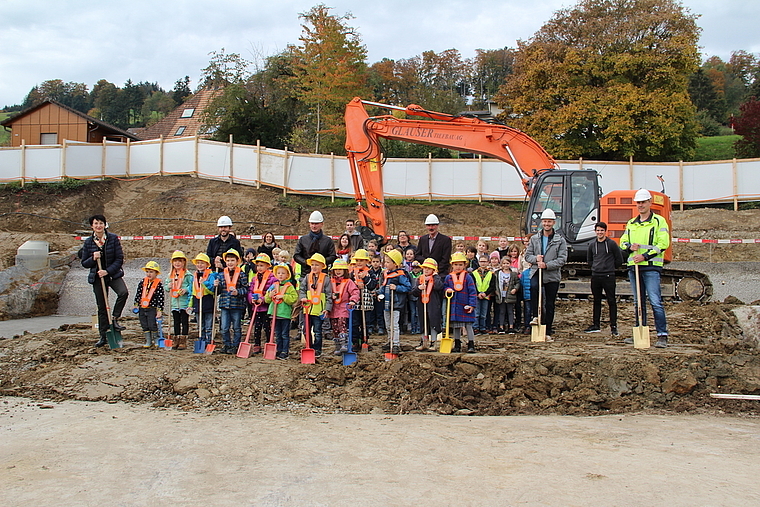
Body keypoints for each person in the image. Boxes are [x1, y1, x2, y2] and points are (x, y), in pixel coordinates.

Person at [620, 189, 670, 348]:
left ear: (649, 203)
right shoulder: (631, 223)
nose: (640, 205)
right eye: (638, 203)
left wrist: (645, 256)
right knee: (638, 302)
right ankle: (639, 331)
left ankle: (662, 335)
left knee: (655, 301)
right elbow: (623, 241)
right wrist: (629, 247)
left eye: (643, 202)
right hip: (634, 266)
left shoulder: (659, 221)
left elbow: (663, 243)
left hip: (651, 266)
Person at [80, 214, 129, 347]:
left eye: (101, 223)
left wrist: (107, 271)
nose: (98, 226)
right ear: (92, 226)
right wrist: (93, 258)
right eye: (96, 223)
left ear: (105, 225)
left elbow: (119, 259)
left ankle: (114, 318)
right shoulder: (89, 242)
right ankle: (103, 335)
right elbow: (84, 263)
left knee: (123, 292)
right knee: (102, 307)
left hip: (112, 274)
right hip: (97, 278)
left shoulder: (112, 238)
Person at [524, 209, 567, 342]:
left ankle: (547, 329)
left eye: (549, 221)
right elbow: (527, 256)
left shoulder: (560, 240)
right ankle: (536, 317)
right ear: (541, 222)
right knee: (534, 287)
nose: (547, 224)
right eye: (545, 221)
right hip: (537, 272)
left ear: (553, 222)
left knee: (549, 303)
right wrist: (536, 259)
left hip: (552, 275)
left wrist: (547, 265)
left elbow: (562, 259)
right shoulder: (535, 239)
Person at [584, 222, 623, 336]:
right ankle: (596, 325)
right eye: (598, 230)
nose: (600, 232)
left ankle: (613, 326)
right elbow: (589, 260)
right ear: (595, 231)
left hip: (608, 276)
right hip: (596, 276)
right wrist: (596, 268)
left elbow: (619, 259)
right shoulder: (592, 245)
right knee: (596, 300)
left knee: (611, 301)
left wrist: (609, 268)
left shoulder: (611, 244)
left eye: (602, 230)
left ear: (605, 231)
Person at [214, 249, 249, 354]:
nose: (230, 263)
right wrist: (216, 286)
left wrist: (238, 292)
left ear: (237, 261)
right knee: (224, 327)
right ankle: (227, 344)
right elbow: (218, 291)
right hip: (224, 304)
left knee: (236, 327)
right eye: (228, 260)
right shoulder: (221, 274)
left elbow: (246, 289)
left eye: (232, 260)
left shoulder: (241, 274)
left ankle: (236, 345)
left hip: (237, 305)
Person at [298, 253, 333, 358]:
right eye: (312, 265)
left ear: (322, 266)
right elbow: (302, 289)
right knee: (306, 330)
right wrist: (302, 297)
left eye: (317, 265)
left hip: (319, 310)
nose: (314, 267)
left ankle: (317, 349)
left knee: (318, 331)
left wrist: (327, 309)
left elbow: (329, 295)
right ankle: (309, 346)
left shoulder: (326, 279)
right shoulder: (307, 277)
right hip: (307, 309)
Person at [443, 252, 478, 353]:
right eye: (456, 264)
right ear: (452, 265)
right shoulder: (448, 278)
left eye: (460, 265)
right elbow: (445, 288)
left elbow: (472, 291)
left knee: (468, 325)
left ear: (464, 265)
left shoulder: (468, 277)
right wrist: (447, 290)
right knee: (456, 326)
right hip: (454, 305)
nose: (458, 267)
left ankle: (471, 344)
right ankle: (457, 344)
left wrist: (472, 305)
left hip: (465, 305)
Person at [379, 249, 411, 355]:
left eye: (388, 262)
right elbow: (383, 286)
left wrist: (397, 287)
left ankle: (396, 343)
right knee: (388, 324)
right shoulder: (386, 274)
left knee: (394, 325)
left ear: (395, 264)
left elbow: (408, 287)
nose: (385, 264)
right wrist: (380, 294)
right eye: (385, 262)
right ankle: (390, 340)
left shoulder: (400, 275)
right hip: (387, 304)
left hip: (396, 304)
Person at [264, 264, 298, 359]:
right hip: (275, 314)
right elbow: (267, 299)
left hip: (285, 314)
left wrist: (283, 296)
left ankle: (285, 351)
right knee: (278, 333)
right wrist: (270, 295)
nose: (280, 275)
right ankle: (279, 350)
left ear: (287, 275)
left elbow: (294, 299)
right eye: (278, 273)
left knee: (284, 334)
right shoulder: (273, 286)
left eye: (283, 273)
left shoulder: (290, 286)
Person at [327, 259, 360, 355]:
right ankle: (337, 346)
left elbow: (355, 291)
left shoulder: (348, 282)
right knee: (335, 327)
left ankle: (344, 344)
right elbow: (326, 292)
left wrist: (353, 300)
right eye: (336, 269)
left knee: (342, 325)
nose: (338, 271)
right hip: (333, 309)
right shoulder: (330, 281)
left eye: (340, 269)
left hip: (343, 308)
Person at [412, 258, 444, 351]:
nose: (426, 270)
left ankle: (433, 342)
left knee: (433, 322)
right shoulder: (420, 279)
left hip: (433, 304)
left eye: (428, 268)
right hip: (422, 304)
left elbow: (439, 287)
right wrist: (419, 288)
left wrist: (435, 277)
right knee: (423, 322)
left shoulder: (436, 278)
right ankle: (424, 341)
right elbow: (413, 292)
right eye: (425, 268)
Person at [349, 248, 377, 349]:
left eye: (361, 260)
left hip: (367, 303)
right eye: (357, 260)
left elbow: (373, 285)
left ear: (366, 261)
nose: (359, 262)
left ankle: (364, 340)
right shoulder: (352, 273)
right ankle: (355, 341)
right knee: (355, 324)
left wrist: (365, 279)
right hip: (356, 304)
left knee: (365, 324)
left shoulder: (370, 273)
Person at [165, 250, 193, 350]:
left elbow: (192, 286)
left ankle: (183, 339)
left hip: (184, 302)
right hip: (174, 303)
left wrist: (186, 290)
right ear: (172, 263)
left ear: (184, 262)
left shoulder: (188, 275)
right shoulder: (170, 275)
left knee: (184, 321)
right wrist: (168, 286)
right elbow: (166, 287)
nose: (177, 263)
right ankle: (176, 338)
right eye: (175, 261)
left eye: (180, 261)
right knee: (176, 321)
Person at [249, 253, 276, 354]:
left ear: (268, 266)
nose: (259, 268)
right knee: (257, 326)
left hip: (266, 307)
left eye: (262, 265)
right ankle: (257, 344)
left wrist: (264, 299)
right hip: (256, 307)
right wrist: (251, 299)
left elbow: (272, 290)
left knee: (267, 326)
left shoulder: (272, 278)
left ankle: (269, 343)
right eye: (258, 265)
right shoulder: (254, 278)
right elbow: (251, 290)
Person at [133, 261, 164, 348]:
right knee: (144, 324)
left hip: (152, 308)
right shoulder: (142, 282)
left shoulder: (159, 285)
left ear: (156, 273)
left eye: (151, 272)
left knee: (152, 324)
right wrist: (136, 304)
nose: (149, 274)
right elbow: (138, 294)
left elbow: (160, 298)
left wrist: (159, 310)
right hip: (142, 307)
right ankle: (148, 341)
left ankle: (156, 339)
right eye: (147, 271)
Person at [294, 210, 337, 274]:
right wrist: (307, 262)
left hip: (322, 274)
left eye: (316, 224)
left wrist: (320, 262)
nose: (314, 226)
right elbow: (296, 255)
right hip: (306, 273)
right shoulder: (303, 240)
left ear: (322, 224)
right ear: (309, 224)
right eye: (312, 223)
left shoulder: (328, 241)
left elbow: (332, 256)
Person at [191, 253, 216, 347]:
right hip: (197, 302)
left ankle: (208, 342)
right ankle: (201, 341)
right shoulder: (194, 275)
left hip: (208, 301)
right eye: (198, 263)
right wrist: (190, 304)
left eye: (202, 263)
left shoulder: (211, 275)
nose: (200, 265)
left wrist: (204, 283)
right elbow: (191, 290)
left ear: (207, 264)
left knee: (208, 326)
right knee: (200, 325)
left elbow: (212, 290)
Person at [493, 256, 521, 334]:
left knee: (510, 311)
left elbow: (517, 282)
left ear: (510, 264)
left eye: (507, 263)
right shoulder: (497, 273)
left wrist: (515, 289)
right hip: (501, 295)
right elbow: (495, 283)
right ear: (501, 264)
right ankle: (501, 326)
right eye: (504, 263)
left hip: (510, 295)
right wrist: (496, 291)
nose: (505, 265)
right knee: (501, 311)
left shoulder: (513, 274)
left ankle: (511, 326)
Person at [472, 255, 495, 335]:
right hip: (476, 296)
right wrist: (478, 293)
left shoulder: (491, 274)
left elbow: (492, 286)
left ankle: (482, 327)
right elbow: (473, 285)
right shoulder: (473, 273)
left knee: (483, 313)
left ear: (488, 262)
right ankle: (475, 328)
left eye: (485, 261)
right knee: (477, 313)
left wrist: (485, 293)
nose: (483, 263)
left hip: (486, 296)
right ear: (478, 262)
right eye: (481, 261)